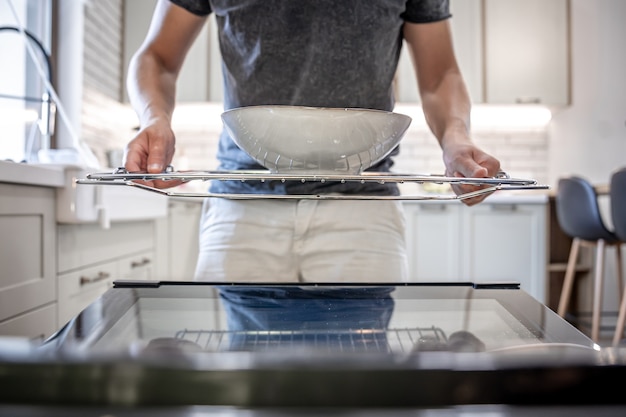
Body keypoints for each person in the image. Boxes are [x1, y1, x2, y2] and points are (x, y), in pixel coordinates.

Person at [124, 0, 501, 283]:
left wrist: (456, 138)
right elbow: (157, 57)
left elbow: (439, 76)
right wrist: (154, 119)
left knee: (360, 379)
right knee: (243, 376)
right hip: (243, 203)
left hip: (361, 208)